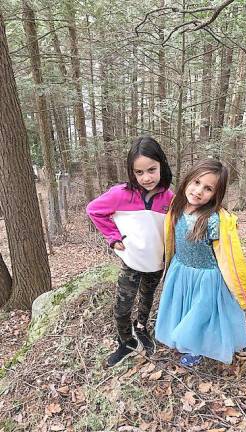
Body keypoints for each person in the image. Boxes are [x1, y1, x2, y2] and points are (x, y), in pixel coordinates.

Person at [155, 159, 246, 367]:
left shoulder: (214, 220)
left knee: (200, 315)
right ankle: (187, 342)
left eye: (208, 188)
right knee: (184, 309)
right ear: (187, 180)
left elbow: (229, 254)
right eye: (196, 182)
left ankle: (197, 348)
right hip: (181, 270)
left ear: (216, 194)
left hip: (206, 277)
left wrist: (240, 289)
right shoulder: (177, 207)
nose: (198, 191)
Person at [87, 136, 173, 367]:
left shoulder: (170, 198)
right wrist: (113, 238)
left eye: (152, 170)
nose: (146, 178)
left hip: (156, 263)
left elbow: (178, 226)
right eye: (139, 172)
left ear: (162, 165)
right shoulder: (120, 194)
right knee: (122, 306)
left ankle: (142, 329)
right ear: (132, 172)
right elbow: (94, 210)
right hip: (132, 261)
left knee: (147, 299)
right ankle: (126, 342)